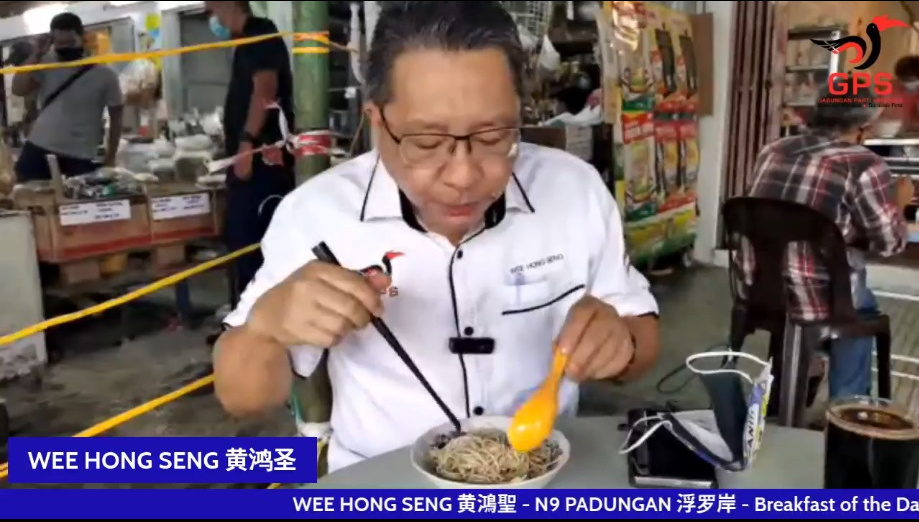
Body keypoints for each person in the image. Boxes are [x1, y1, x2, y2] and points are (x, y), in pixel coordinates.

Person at [214, 1, 661, 472]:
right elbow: (241, 397)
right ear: (377, 121)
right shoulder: (318, 213)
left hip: (538, 475)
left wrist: (622, 344)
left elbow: (643, 335)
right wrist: (266, 328)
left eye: (493, 135)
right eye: (426, 142)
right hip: (381, 482)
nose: (463, 176)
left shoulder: (574, 190)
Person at [740, 77, 912, 403]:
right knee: (858, 305)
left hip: (759, 288)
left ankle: (802, 370)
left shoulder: (773, 150)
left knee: (810, 276)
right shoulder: (863, 164)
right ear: (863, 127)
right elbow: (890, 244)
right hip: (821, 300)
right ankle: (847, 405)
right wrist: (899, 205)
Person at [204, 0, 296, 307]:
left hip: (262, 162)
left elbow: (265, 90)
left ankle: (257, 316)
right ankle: (243, 314)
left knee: (252, 244)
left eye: (212, 10)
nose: (212, 19)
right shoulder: (246, 42)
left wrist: (246, 143)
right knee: (239, 242)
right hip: (250, 157)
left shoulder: (260, 33)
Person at [11, 13, 123, 182]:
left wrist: (111, 155)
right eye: (60, 43)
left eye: (71, 43)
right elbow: (18, 89)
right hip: (39, 147)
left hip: (80, 155)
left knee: (79, 197)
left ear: (82, 38)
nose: (65, 48)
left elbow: (117, 117)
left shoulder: (105, 74)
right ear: (52, 41)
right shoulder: (46, 63)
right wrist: (36, 54)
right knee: (29, 195)